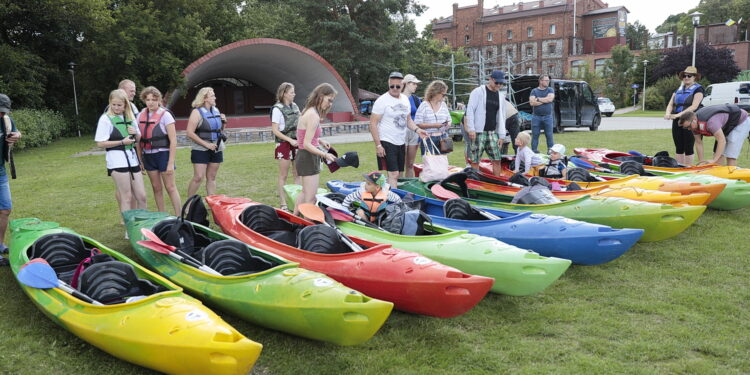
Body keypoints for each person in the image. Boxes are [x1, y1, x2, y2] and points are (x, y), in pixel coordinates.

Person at [95, 89, 148, 238]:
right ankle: (130, 230)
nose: (117, 108)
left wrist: (135, 133)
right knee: (127, 197)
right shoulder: (105, 119)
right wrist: (121, 141)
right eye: (114, 105)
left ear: (125, 105)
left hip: (131, 159)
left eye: (119, 105)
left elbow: (138, 139)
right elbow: (100, 143)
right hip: (116, 160)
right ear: (110, 104)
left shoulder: (130, 118)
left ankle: (143, 226)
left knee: (142, 196)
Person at [370, 71, 427, 187]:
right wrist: (378, 145)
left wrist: (417, 130)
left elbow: (408, 120)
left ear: (403, 85)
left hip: (401, 141)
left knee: (399, 173)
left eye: (398, 86)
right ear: (388, 84)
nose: (395, 89)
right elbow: (372, 123)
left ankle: (391, 193)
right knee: (394, 173)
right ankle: (394, 201)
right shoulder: (382, 100)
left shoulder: (405, 100)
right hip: (387, 141)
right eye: (392, 86)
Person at [293, 83, 338, 216]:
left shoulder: (309, 110)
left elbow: (304, 136)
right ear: (320, 96)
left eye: (332, 101)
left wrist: (320, 141)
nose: (330, 104)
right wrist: (324, 155)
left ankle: (293, 218)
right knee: (311, 198)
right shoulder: (314, 115)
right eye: (329, 100)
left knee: (304, 192)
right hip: (308, 156)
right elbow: (306, 144)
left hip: (304, 156)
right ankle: (307, 225)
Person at [138, 86, 181, 215]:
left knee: (170, 187)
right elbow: (138, 141)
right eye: (148, 99)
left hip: (163, 155)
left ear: (159, 100)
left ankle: (180, 216)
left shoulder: (165, 115)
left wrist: (170, 163)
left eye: (153, 99)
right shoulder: (140, 115)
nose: (150, 102)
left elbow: (173, 141)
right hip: (148, 156)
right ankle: (162, 216)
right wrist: (140, 161)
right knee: (156, 188)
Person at [678, 104, 750, 166]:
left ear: (694, 119)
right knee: (718, 156)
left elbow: (721, 141)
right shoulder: (694, 125)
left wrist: (714, 160)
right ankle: (719, 178)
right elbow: (698, 143)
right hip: (727, 125)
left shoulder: (711, 123)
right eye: (686, 128)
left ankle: (732, 179)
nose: (688, 129)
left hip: (740, 121)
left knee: (730, 155)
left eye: (688, 126)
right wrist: (701, 162)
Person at [465, 70, 507, 176]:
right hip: (478, 131)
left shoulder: (501, 96)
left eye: (501, 83)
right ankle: (476, 181)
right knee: (475, 160)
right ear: (490, 79)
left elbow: (502, 116)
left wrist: (501, 135)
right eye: (497, 82)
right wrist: (471, 129)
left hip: (492, 132)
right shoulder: (478, 91)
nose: (499, 85)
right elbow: (470, 110)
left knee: (497, 159)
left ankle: (497, 182)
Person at [186, 87, 226, 198]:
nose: (215, 97)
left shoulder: (216, 110)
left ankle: (211, 203)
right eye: (212, 95)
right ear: (205, 98)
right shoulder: (196, 112)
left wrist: (224, 122)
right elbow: (189, 133)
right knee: (198, 177)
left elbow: (220, 130)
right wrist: (206, 144)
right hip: (200, 148)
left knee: (212, 177)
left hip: (216, 146)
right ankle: (189, 203)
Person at [271, 82, 301, 212]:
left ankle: (297, 200)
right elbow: (275, 130)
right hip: (283, 143)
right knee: (283, 174)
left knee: (297, 173)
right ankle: (283, 203)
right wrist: (289, 140)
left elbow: (301, 122)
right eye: (292, 92)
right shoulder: (277, 109)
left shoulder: (295, 106)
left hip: (296, 142)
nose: (294, 94)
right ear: (284, 93)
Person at [665, 66, 704, 165]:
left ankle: (688, 168)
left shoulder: (698, 89)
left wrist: (678, 115)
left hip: (690, 120)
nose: (686, 77)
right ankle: (679, 167)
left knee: (688, 146)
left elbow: (694, 106)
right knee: (679, 146)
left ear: (694, 77)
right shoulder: (678, 89)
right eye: (684, 76)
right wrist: (668, 113)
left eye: (689, 76)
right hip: (677, 120)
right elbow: (671, 103)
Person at [0, 93, 21, 266]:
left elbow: (16, 131)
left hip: (0, 171)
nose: (1, 114)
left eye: (3, 111)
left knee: (6, 209)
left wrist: (17, 136)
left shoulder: (5, 120)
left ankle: (0, 244)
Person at [414, 80, 451, 155]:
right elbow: (417, 123)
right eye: (443, 94)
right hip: (428, 138)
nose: (444, 96)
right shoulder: (424, 105)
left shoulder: (443, 105)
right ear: (435, 93)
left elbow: (449, 119)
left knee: (443, 163)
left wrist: (448, 124)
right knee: (429, 164)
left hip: (443, 138)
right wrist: (434, 125)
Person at [402, 74, 422, 178]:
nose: (416, 86)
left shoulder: (416, 99)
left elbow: (420, 115)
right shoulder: (398, 97)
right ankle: (398, 186)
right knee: (400, 164)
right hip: (401, 132)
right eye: (414, 84)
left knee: (410, 164)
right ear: (406, 84)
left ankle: (408, 186)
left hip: (414, 132)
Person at [529, 74, 555, 153]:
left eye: (548, 80)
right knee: (535, 136)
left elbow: (550, 99)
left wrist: (538, 99)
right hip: (536, 117)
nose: (548, 82)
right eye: (546, 80)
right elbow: (532, 103)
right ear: (540, 81)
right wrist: (544, 100)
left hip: (548, 117)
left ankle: (550, 152)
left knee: (549, 136)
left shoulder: (550, 90)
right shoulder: (534, 91)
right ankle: (534, 152)